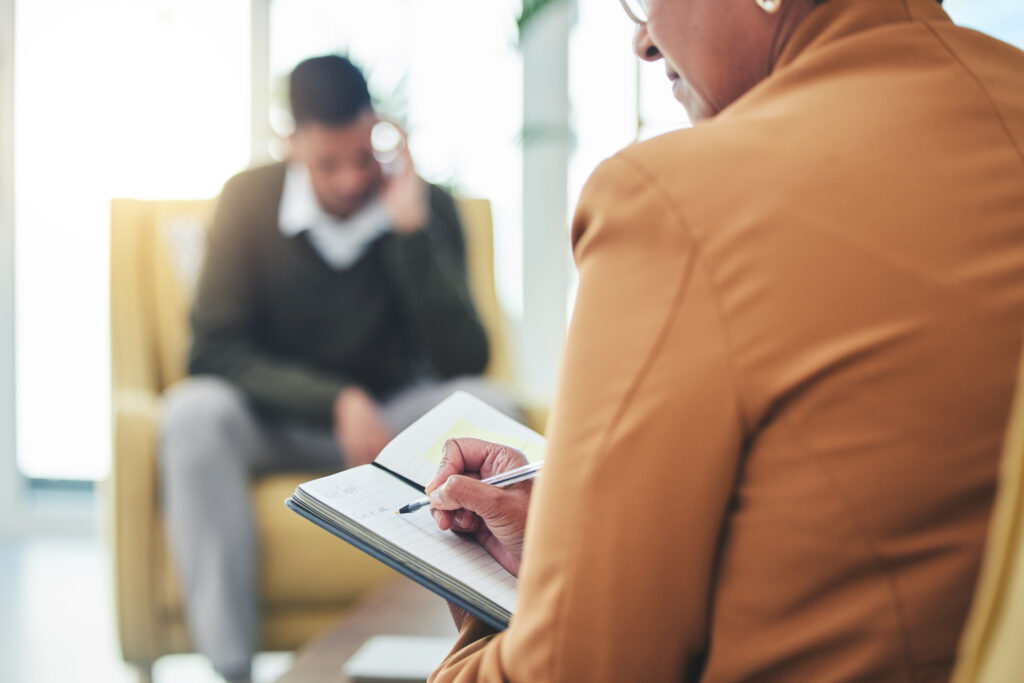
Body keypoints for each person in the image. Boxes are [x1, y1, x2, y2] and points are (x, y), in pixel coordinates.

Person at [421, 0, 1024, 680]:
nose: (644, 41)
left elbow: (574, 671)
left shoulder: (678, 200)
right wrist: (574, 565)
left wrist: (485, 617)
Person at [160, 55, 516, 682]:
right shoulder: (248, 198)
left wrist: (411, 234)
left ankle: (484, 658)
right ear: (291, 143)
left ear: (377, 129)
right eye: (329, 164)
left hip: (391, 425)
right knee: (192, 413)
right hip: (282, 421)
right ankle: (232, 669)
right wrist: (335, 400)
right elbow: (213, 348)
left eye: (362, 156)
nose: (352, 179)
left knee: (496, 407)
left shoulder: (422, 203)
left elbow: (466, 358)